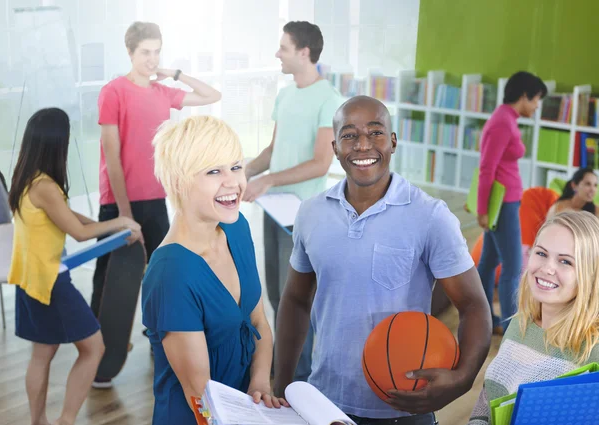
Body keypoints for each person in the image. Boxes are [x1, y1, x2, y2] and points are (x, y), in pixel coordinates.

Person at [274, 96, 492, 424]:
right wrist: (282, 384)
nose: (363, 145)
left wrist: (461, 380)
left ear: (392, 142)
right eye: (349, 135)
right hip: (325, 401)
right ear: (335, 147)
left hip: (404, 406)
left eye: (375, 132)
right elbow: (294, 299)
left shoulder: (430, 216)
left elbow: (474, 305)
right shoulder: (311, 213)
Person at [91, 21, 221, 388]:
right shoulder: (113, 91)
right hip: (119, 204)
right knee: (109, 280)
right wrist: (124, 213)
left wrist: (174, 73)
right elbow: (112, 155)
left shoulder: (164, 92)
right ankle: (98, 355)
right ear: (129, 52)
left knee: (163, 276)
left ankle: (158, 342)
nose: (151, 58)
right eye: (145, 52)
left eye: (156, 51)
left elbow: (212, 94)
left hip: (156, 200)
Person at [142, 115, 288, 424]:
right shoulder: (171, 275)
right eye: (213, 171)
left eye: (236, 166)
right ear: (179, 181)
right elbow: (201, 398)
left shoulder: (236, 228)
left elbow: (259, 321)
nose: (233, 182)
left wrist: (260, 382)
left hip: (244, 411)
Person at [7, 108, 141, 425]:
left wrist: (110, 228)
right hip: (51, 284)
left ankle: (38, 422)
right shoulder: (46, 187)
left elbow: (68, 217)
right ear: (58, 143)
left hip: (30, 279)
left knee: (42, 354)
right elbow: (79, 233)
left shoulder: (28, 178)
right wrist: (121, 220)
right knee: (94, 348)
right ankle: (66, 420)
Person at [243, 20, 344, 381]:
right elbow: (273, 150)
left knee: (296, 300)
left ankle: (300, 379)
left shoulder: (329, 100)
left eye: (283, 48)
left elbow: (320, 162)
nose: (277, 54)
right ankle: (283, 364)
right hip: (273, 210)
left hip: (302, 216)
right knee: (274, 292)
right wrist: (242, 172)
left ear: (304, 52)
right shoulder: (285, 94)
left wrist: (269, 180)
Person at [468, 211, 599, 425]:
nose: (547, 268)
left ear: (590, 274)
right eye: (541, 253)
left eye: (565, 261)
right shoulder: (519, 323)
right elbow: (489, 394)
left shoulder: (593, 350)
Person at [477, 71, 547, 335]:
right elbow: (486, 168)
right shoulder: (502, 122)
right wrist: (483, 210)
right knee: (513, 266)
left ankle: (486, 319)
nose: (537, 106)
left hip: (506, 201)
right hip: (502, 204)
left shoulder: (507, 119)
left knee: (488, 262)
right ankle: (509, 328)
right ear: (525, 95)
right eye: (536, 100)